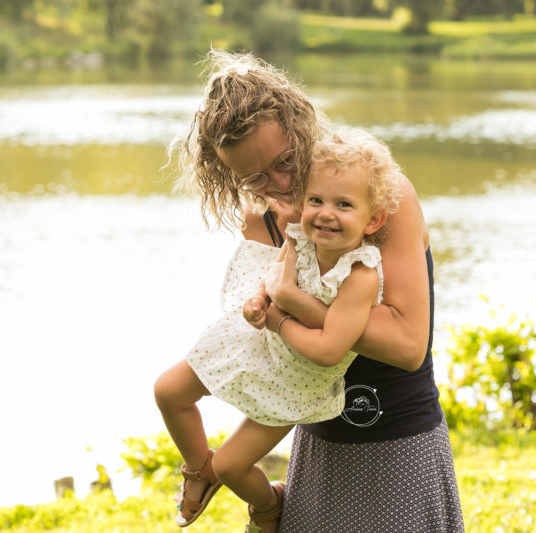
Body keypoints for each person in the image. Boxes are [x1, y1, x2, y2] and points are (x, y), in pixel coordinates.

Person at [155, 50, 464, 532]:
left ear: (301, 127)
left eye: (286, 161)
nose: (281, 184)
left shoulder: (383, 198)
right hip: (320, 443)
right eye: (256, 178)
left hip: (397, 442)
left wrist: (292, 305)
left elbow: (407, 346)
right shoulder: (265, 221)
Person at [156, 129, 400, 532]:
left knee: (232, 466)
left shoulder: (360, 276)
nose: (325, 213)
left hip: (297, 380)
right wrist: (259, 302)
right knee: (167, 391)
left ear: (372, 219)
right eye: (316, 200)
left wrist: (279, 320)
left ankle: (269, 507)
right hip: (262, 342)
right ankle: (198, 470)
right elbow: (274, 278)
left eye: (343, 205)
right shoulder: (299, 237)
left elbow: (328, 351)